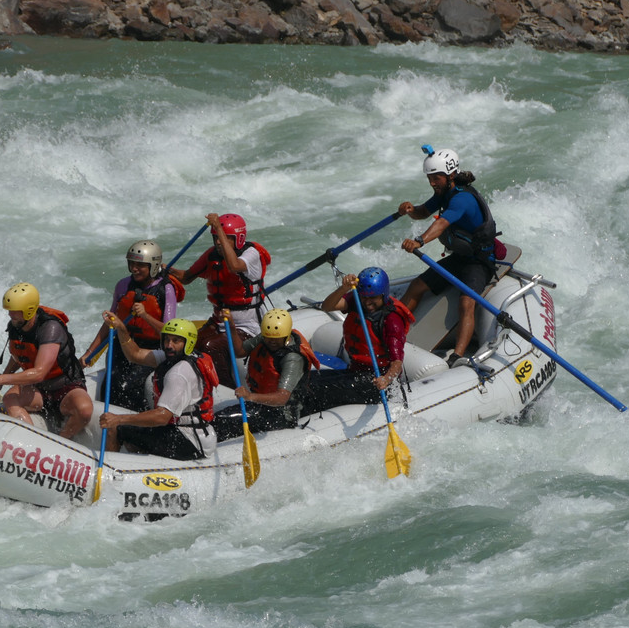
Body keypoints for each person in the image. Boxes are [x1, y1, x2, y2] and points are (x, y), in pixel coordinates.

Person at [398, 146, 499, 368]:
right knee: (417, 286)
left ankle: (457, 357)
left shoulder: (462, 199)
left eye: (436, 177)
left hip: (478, 262)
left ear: (451, 175)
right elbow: (424, 212)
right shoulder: (444, 192)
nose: (432, 182)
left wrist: (420, 241)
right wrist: (409, 209)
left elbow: (441, 223)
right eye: (429, 178)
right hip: (459, 259)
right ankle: (393, 332)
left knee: (466, 302)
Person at [0, 282, 93, 440]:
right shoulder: (17, 325)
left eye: (14, 311)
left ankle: (63, 440)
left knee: (85, 410)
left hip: (66, 387)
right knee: (10, 399)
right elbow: (19, 356)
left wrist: (0, 379)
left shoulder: (50, 328)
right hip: (39, 390)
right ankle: (32, 441)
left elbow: (39, 373)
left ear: (29, 311)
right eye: (9, 311)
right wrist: (1, 381)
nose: (10, 315)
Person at [80, 240, 185, 410]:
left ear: (153, 265)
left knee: (132, 387)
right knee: (112, 385)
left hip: (150, 349)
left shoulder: (166, 289)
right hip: (122, 345)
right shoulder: (123, 285)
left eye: (140, 265)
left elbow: (169, 331)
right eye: (132, 263)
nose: (134, 268)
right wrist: (89, 354)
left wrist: (145, 315)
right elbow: (109, 325)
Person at [170, 212, 271, 388]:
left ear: (238, 239)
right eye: (215, 237)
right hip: (219, 321)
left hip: (248, 326)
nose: (218, 242)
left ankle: (227, 390)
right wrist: (165, 269)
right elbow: (186, 277)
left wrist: (218, 227)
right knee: (190, 344)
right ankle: (195, 386)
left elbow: (234, 266)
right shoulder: (212, 255)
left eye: (224, 238)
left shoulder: (251, 254)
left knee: (211, 346)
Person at [98, 315, 218, 460]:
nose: (169, 345)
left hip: (190, 440)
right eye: (167, 339)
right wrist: (122, 329)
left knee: (115, 429)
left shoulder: (179, 373)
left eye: (176, 341)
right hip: (193, 432)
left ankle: (110, 467)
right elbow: (135, 355)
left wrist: (119, 419)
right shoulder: (177, 356)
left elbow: (162, 417)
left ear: (188, 342)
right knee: (135, 430)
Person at [307, 267, 414, 410]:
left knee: (318, 388)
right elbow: (327, 306)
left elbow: (397, 363)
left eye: (373, 298)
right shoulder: (357, 301)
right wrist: (343, 289)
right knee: (307, 380)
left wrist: (386, 379)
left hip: (377, 381)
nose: (368, 302)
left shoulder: (392, 321)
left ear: (384, 294)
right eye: (364, 297)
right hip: (355, 372)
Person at [213, 308, 320, 441]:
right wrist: (232, 327)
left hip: (281, 414)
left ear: (286, 335)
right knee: (218, 418)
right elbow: (239, 351)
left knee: (222, 421)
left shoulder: (292, 359)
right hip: (261, 403)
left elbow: (282, 398)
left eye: (276, 339)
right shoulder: (266, 337)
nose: (271, 342)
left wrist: (250, 396)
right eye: (268, 338)